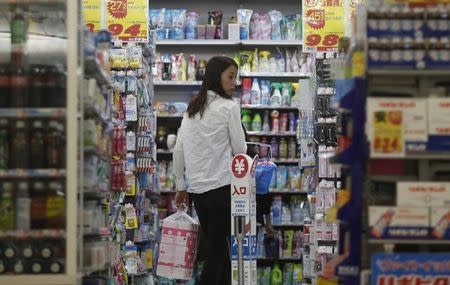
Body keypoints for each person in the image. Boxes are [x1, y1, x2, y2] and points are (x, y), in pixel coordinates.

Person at [173, 56, 247, 285]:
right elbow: (240, 149)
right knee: (219, 251)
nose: (235, 82)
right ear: (217, 77)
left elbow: (178, 151)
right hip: (222, 190)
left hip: (198, 193)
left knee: (220, 250)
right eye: (231, 76)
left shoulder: (192, 110)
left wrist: (180, 187)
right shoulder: (229, 108)